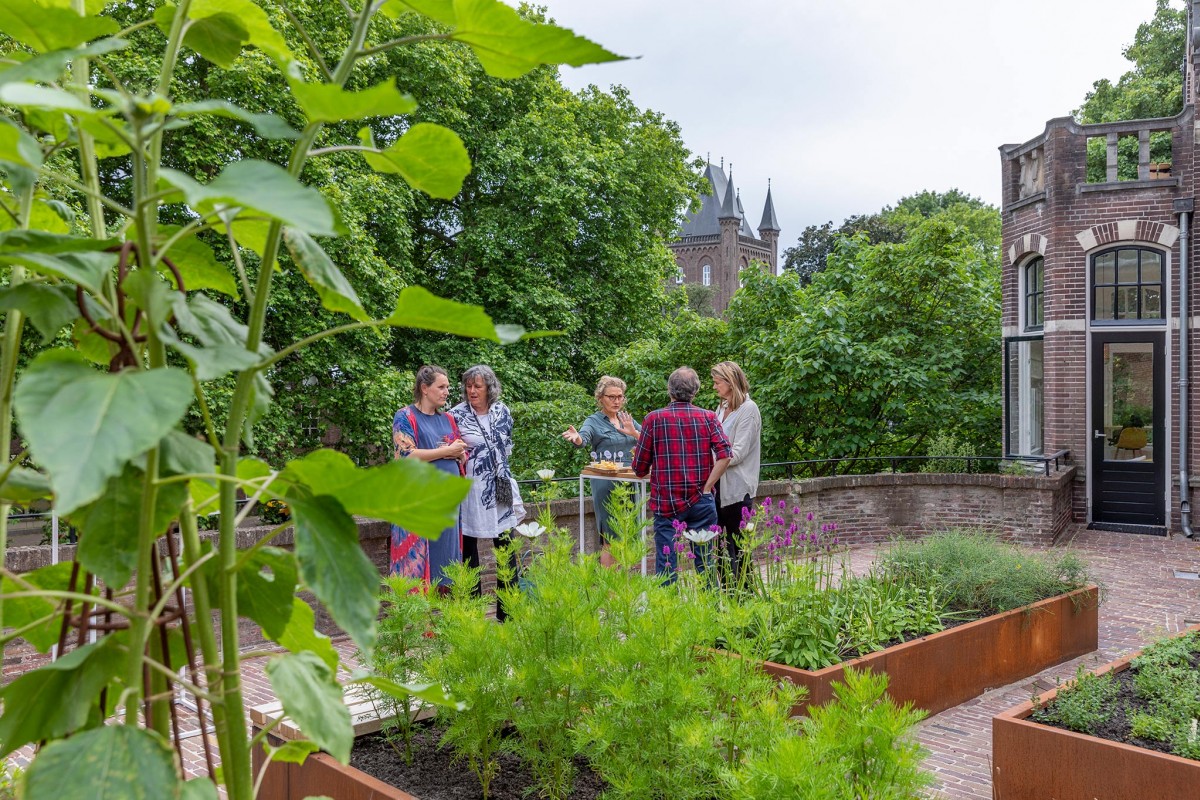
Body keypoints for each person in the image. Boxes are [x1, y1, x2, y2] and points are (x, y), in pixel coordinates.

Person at [632, 367, 732, 581]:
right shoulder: (708, 417)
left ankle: (667, 612)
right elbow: (725, 454)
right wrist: (707, 487)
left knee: (666, 566)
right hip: (701, 500)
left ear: (669, 390)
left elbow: (639, 469)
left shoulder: (653, 419)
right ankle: (711, 611)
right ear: (695, 392)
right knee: (706, 564)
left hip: (666, 502)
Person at [450, 365, 525, 621]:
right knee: (469, 551)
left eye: (477, 386)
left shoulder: (502, 411)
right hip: (470, 492)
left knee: (505, 549)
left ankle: (509, 613)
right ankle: (473, 614)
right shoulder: (456, 415)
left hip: (500, 488)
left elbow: (508, 447)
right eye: (468, 386)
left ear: (489, 388)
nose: (471, 391)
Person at [390, 365, 467, 589]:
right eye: (441, 387)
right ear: (425, 388)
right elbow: (406, 455)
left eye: (448, 387)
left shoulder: (449, 420)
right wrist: (447, 451)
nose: (446, 392)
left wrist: (460, 454)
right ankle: (421, 623)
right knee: (417, 569)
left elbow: (459, 450)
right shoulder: (405, 416)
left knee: (447, 568)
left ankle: (447, 621)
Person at [561, 376, 640, 567]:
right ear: (600, 398)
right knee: (611, 539)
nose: (616, 401)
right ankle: (610, 592)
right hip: (606, 483)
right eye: (611, 397)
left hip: (630, 482)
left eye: (620, 397)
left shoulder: (626, 419)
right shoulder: (594, 421)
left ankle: (624, 588)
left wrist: (633, 433)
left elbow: (650, 440)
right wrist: (577, 438)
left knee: (629, 536)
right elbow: (583, 438)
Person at [711, 361, 761, 584]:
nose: (714, 387)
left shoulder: (749, 410)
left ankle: (745, 596)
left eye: (717, 382)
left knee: (740, 549)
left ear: (731, 382)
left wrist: (710, 459)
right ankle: (726, 593)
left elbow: (738, 452)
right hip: (717, 485)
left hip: (737, 489)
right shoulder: (721, 408)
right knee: (720, 546)